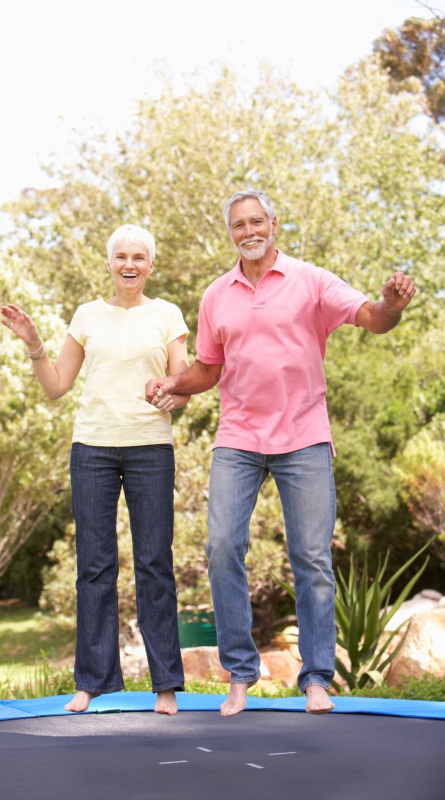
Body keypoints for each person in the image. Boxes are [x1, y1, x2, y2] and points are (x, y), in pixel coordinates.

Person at [146, 190, 416, 717]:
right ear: (230, 233)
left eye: (256, 221)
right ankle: (240, 676)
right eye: (238, 225)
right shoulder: (216, 295)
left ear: (273, 224)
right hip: (239, 440)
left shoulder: (311, 281)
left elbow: (372, 317)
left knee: (311, 559)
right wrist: (174, 384)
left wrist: (392, 305)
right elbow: (208, 369)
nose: (248, 231)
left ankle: (316, 679)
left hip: (304, 437)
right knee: (222, 547)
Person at [1, 224, 189, 716]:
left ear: (151, 265)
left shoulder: (167, 314)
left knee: (154, 564)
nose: (130, 264)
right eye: (121, 256)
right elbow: (57, 385)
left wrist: (172, 391)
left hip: (150, 447)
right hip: (93, 450)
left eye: (139, 257)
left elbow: (184, 383)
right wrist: (34, 342)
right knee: (95, 566)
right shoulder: (86, 315)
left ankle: (165, 684)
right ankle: (92, 681)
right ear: (109, 263)